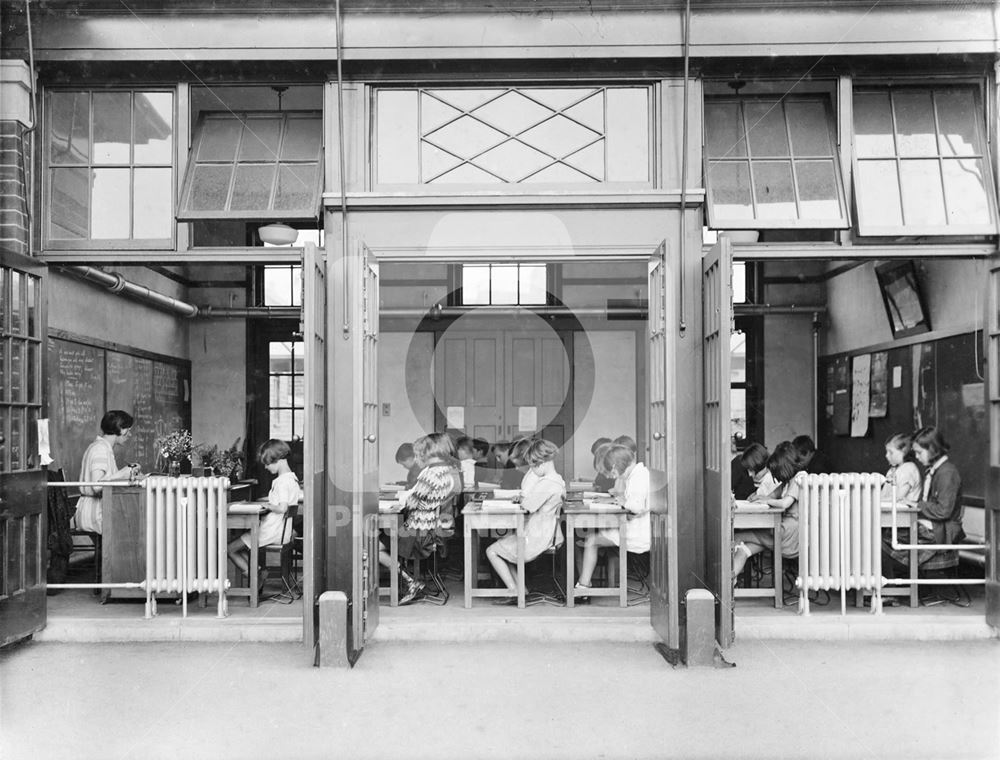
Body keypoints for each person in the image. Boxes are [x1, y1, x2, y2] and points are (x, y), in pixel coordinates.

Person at [378, 432, 462, 605]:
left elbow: (411, 502)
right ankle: (409, 580)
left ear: (428, 452)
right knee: (377, 541)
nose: (417, 457)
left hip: (419, 533)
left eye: (419, 453)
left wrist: (407, 499)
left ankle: (410, 582)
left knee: (371, 546)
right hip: (430, 530)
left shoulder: (430, 474)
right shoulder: (447, 470)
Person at [485, 439, 566, 604]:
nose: (532, 470)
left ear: (540, 463)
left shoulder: (547, 483)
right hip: (544, 532)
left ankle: (514, 591)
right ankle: (520, 590)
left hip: (537, 536)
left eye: (533, 466)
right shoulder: (558, 480)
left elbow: (528, 506)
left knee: (491, 551)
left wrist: (523, 499)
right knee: (502, 547)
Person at [884, 427, 965, 573]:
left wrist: (916, 505)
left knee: (884, 534)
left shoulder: (947, 473)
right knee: (886, 533)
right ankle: (895, 585)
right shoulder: (935, 470)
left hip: (941, 530)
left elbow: (943, 511)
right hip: (934, 526)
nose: (916, 456)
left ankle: (894, 585)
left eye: (919, 452)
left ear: (933, 449)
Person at [574, 444, 650, 596]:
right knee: (591, 537)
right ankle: (584, 585)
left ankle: (583, 587)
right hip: (632, 526)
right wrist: (622, 499)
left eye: (612, 471)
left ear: (616, 466)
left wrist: (623, 501)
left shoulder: (639, 476)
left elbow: (636, 507)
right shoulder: (636, 474)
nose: (612, 475)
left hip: (638, 533)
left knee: (591, 540)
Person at [227, 439, 302, 582]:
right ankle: (258, 572)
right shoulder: (292, 479)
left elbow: (282, 507)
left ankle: (256, 577)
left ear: (278, 460)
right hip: (282, 531)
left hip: (272, 531)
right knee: (238, 544)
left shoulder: (282, 482)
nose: (266, 468)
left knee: (230, 548)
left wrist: (268, 506)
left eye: (268, 463)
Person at [732, 441, 802, 577]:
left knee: (737, 536)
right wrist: (758, 497)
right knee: (743, 550)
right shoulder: (787, 482)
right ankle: (731, 582)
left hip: (787, 534)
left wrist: (766, 499)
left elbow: (784, 504)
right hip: (780, 531)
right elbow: (771, 495)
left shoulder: (799, 478)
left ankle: (727, 585)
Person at [71, 410, 141, 535]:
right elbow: (97, 486)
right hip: (95, 514)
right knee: (134, 527)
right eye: (128, 430)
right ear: (119, 428)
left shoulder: (102, 447)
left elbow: (105, 480)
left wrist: (129, 474)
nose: (129, 434)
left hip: (95, 510)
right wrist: (124, 473)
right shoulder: (100, 449)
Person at [881, 433, 921, 505]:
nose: (886, 455)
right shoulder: (892, 470)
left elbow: (898, 497)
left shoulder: (909, 469)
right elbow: (884, 494)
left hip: (905, 512)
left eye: (891, 452)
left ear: (904, 452)